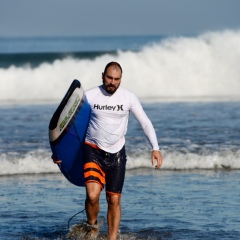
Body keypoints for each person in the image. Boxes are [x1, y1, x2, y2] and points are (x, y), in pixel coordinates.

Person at [53, 62, 163, 240]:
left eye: (116, 79)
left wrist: (155, 148)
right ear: (102, 75)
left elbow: (145, 122)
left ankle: (112, 238)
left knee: (114, 200)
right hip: (93, 150)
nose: (112, 82)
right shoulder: (89, 96)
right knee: (92, 195)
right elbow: (68, 125)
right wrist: (59, 151)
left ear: (121, 79)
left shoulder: (128, 97)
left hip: (117, 153)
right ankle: (93, 225)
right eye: (109, 78)